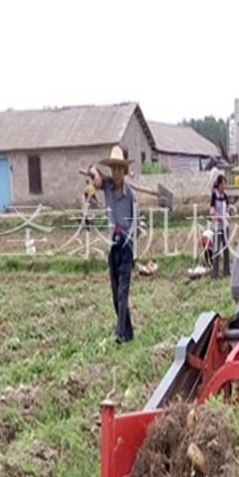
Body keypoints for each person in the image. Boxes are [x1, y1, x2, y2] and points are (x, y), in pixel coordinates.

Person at [89, 145, 138, 344]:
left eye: (120, 168)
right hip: (113, 247)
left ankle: (119, 334)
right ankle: (129, 334)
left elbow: (136, 225)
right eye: (114, 168)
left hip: (125, 247)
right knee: (115, 295)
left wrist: (133, 251)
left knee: (122, 293)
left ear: (124, 171)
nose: (116, 172)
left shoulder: (130, 195)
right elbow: (91, 167)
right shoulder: (107, 186)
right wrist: (95, 175)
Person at [210, 173, 230, 279]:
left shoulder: (225, 196)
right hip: (217, 226)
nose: (225, 186)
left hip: (225, 226)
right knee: (216, 249)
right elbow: (212, 210)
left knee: (226, 249)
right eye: (223, 183)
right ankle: (215, 273)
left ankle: (227, 271)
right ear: (219, 185)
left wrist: (227, 214)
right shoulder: (214, 196)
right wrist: (218, 217)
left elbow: (227, 208)